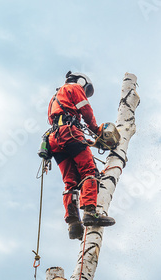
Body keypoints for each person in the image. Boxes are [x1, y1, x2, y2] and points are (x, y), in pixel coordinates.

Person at [47, 71, 115, 240]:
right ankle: (90, 213)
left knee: (70, 181)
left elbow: (55, 120)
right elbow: (85, 110)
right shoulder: (73, 87)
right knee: (89, 171)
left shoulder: (54, 98)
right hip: (69, 132)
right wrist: (96, 131)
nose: (85, 92)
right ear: (82, 81)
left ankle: (73, 224)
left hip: (54, 139)